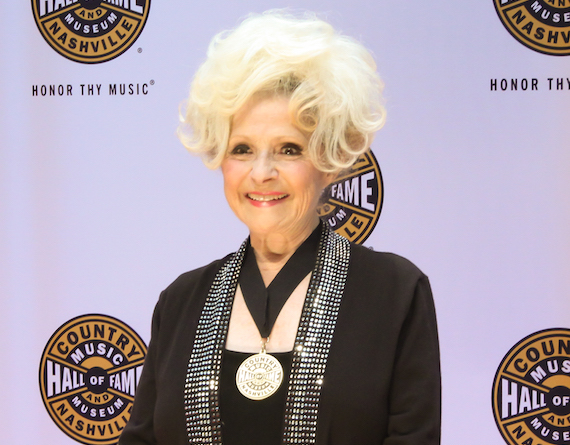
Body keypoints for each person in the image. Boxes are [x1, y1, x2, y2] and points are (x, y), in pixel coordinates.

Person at [119, 10, 440, 445]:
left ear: (328, 161)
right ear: (221, 159)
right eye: (243, 149)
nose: (261, 172)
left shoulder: (394, 292)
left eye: (289, 149)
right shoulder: (180, 302)